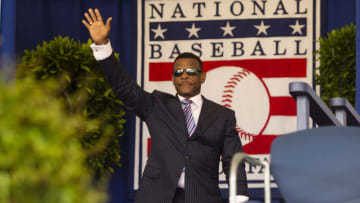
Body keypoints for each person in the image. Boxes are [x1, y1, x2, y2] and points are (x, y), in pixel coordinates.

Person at [82, 8, 249, 203]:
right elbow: (124, 87)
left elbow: (233, 159)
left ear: (202, 76)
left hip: (203, 197)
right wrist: (102, 46)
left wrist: (239, 196)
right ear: (172, 79)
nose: (184, 75)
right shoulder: (156, 105)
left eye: (190, 71)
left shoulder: (223, 115)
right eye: (178, 72)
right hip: (156, 196)